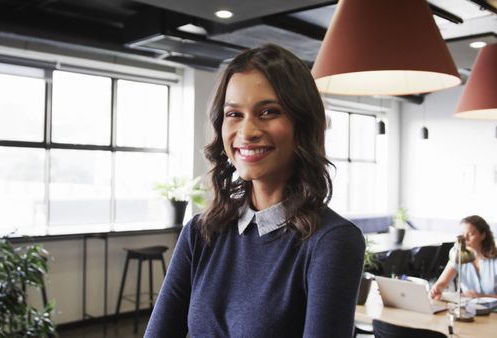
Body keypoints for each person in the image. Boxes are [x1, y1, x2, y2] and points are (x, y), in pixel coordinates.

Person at [144, 44, 365, 337]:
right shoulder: (200, 232)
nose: (247, 132)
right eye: (234, 114)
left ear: (302, 123)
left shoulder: (331, 241)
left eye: (268, 112)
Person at [429, 215, 497, 304]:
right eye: (462, 234)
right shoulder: (459, 257)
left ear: (483, 235)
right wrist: (436, 289)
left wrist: (482, 296)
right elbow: (441, 283)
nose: (465, 238)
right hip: (470, 310)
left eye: (471, 234)